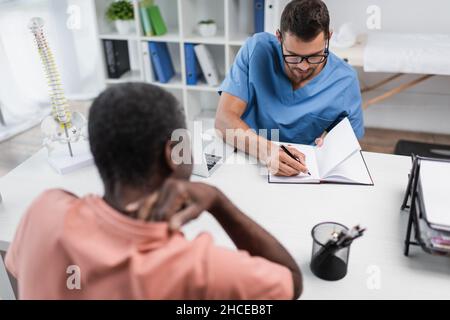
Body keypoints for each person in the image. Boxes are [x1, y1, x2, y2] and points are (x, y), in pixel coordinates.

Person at [5, 83, 302, 299]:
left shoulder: (43, 210)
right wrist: (219, 202)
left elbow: (18, 270)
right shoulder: (199, 269)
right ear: (173, 154)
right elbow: (290, 283)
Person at [215, 0, 364, 177]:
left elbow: (350, 144)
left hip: (301, 172)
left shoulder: (345, 80)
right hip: (247, 157)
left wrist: (331, 145)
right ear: (279, 38)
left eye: (315, 56)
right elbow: (223, 120)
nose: (302, 66)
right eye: (293, 56)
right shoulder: (256, 49)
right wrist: (268, 151)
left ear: (328, 38)